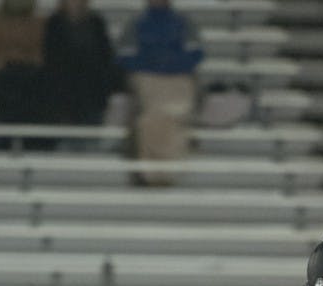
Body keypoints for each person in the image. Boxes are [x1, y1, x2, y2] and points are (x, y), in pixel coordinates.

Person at [117, 0, 204, 184]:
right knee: (151, 120)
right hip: (148, 81)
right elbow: (125, 56)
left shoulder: (183, 22)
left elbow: (196, 53)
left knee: (174, 118)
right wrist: (153, 64)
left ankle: (169, 172)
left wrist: (170, 64)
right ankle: (151, 172)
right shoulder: (136, 23)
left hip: (177, 81)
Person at [0, 0, 53, 135]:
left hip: (30, 83)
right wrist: (10, 62)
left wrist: (18, 61)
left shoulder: (40, 22)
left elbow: (42, 54)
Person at [43, 1, 125, 127]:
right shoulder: (54, 24)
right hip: (64, 83)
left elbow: (106, 55)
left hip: (94, 83)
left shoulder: (96, 23)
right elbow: (51, 57)